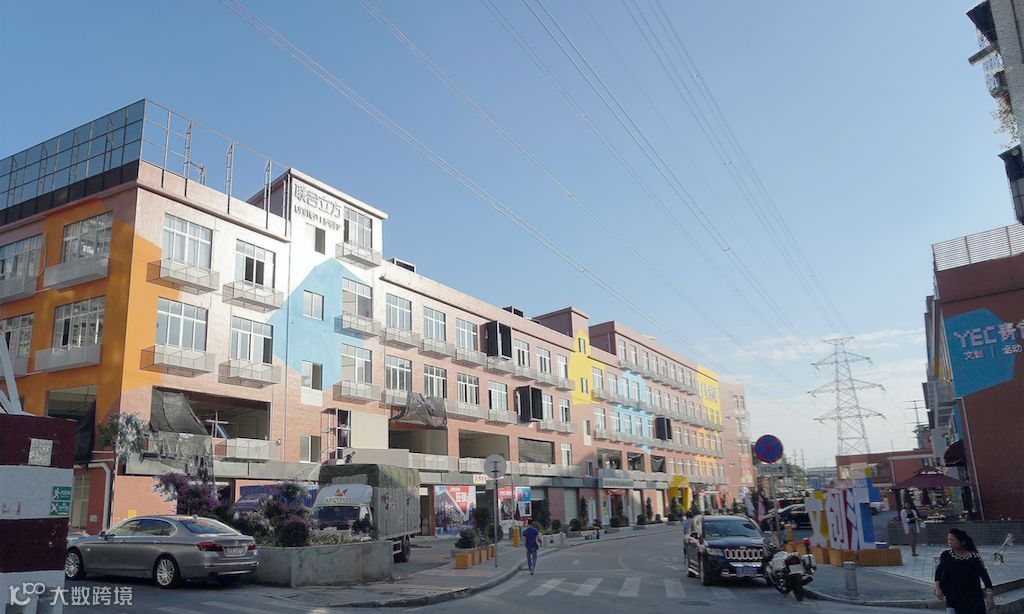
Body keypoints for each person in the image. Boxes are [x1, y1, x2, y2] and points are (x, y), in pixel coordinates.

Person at [934, 528, 994, 613]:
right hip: (953, 598)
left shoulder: (974, 558)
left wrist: (989, 597)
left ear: (962, 542)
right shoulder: (946, 555)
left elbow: (985, 577)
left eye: (953, 540)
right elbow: (938, 572)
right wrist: (937, 588)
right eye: (948, 539)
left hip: (973, 598)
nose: (950, 542)